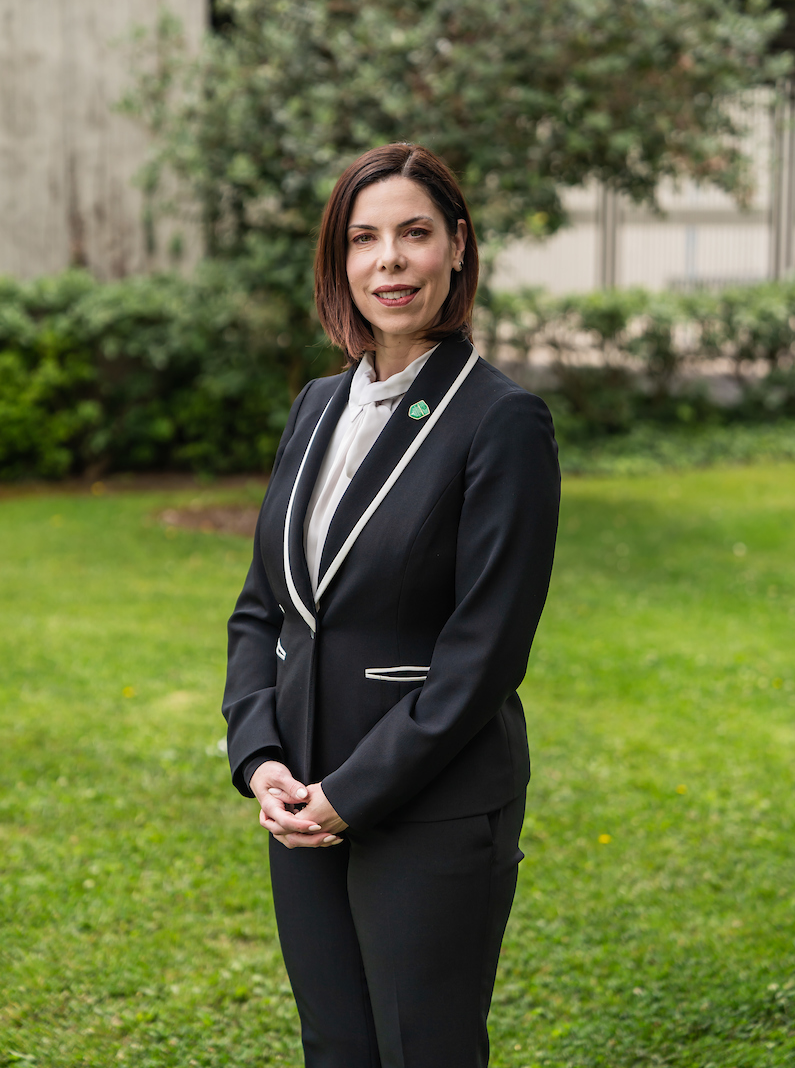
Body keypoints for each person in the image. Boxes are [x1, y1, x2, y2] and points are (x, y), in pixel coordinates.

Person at [222, 143, 560, 1068]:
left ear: (457, 246)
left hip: (430, 804)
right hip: (299, 793)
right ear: (340, 262)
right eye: (363, 239)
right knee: (336, 1046)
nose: (389, 261)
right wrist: (260, 759)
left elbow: (484, 652)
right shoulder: (315, 407)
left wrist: (352, 796)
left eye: (414, 234)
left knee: (424, 1052)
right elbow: (265, 608)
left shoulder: (502, 421)